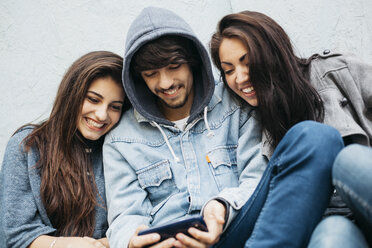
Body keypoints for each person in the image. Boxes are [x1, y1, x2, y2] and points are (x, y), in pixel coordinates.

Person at [103, 6, 343, 248]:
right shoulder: (120, 140)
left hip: (235, 231)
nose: (166, 83)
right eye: (151, 74)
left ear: (192, 62)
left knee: (315, 138)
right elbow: (125, 216)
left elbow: (258, 178)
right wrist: (132, 241)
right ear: (139, 78)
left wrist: (221, 208)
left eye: (174, 67)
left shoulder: (235, 102)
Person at [210, 10, 372, 247]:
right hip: (331, 225)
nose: (240, 77)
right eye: (229, 70)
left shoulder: (335, 71)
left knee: (349, 160)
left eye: (247, 61)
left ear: (272, 51)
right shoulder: (251, 125)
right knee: (331, 236)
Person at [0, 51, 130, 248]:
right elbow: (15, 234)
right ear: (72, 94)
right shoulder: (27, 146)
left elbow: (133, 223)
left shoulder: (120, 150)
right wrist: (65, 245)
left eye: (115, 107)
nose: (102, 115)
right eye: (93, 99)